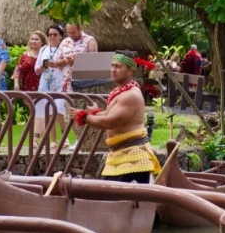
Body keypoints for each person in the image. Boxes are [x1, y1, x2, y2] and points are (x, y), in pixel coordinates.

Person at [69, 51, 160, 184]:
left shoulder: (130, 95)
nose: (113, 70)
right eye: (112, 66)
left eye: (118, 67)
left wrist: (83, 117)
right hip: (121, 156)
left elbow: (109, 122)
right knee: (111, 200)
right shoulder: (119, 91)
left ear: (130, 70)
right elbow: (108, 114)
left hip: (133, 159)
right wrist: (96, 112)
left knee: (120, 202)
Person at [35, 24, 68, 148]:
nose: (52, 37)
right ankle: (53, 140)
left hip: (60, 83)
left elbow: (67, 64)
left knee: (59, 110)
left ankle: (64, 139)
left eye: (55, 34)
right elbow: (37, 68)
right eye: (50, 35)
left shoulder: (64, 48)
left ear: (60, 36)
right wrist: (42, 67)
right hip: (45, 83)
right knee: (48, 112)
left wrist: (57, 65)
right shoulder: (44, 49)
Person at [57, 23, 98, 93]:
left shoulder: (90, 41)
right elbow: (57, 60)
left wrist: (76, 61)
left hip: (83, 85)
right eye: (69, 33)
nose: (71, 35)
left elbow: (94, 60)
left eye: (73, 32)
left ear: (80, 29)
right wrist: (64, 61)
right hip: (67, 85)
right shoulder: (65, 41)